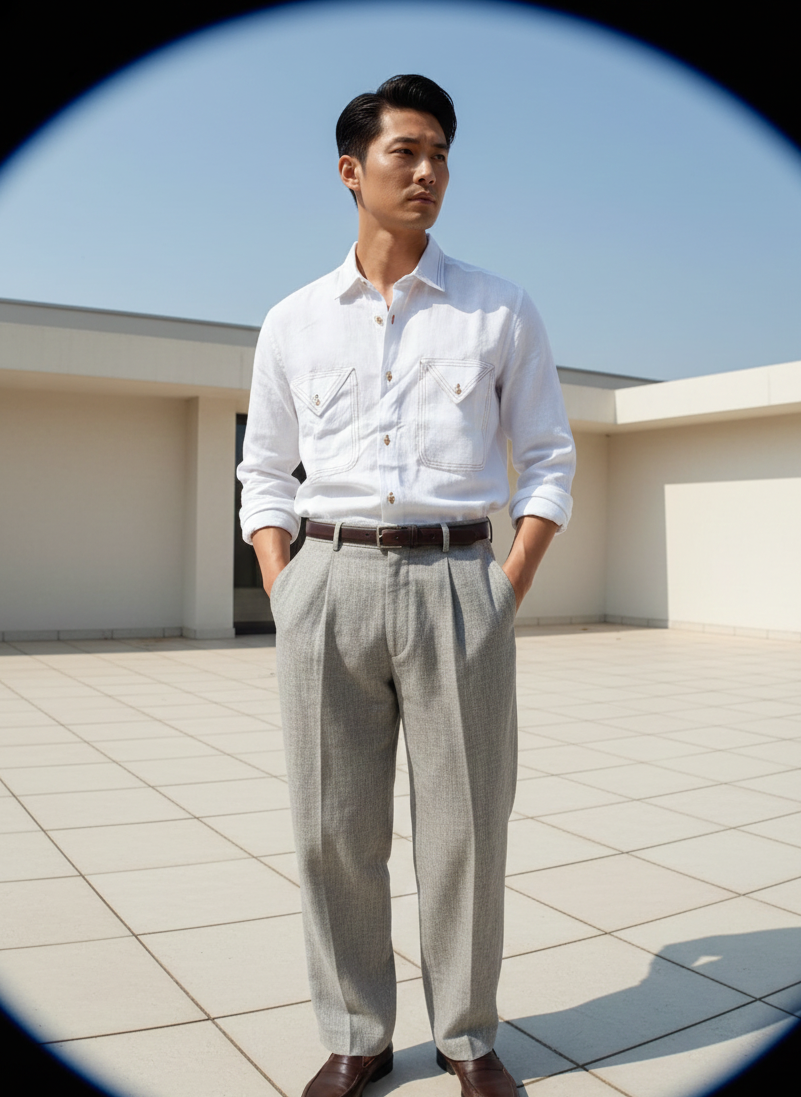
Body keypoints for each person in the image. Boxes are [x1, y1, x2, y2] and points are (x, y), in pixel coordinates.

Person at [237, 74, 575, 1097]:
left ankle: (470, 1039)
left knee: (467, 824)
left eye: (440, 156)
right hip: (326, 582)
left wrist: (502, 584)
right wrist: (288, 584)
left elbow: (548, 459)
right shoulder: (293, 321)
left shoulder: (499, 309)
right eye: (406, 153)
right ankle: (358, 1032)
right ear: (352, 170)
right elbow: (265, 473)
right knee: (331, 825)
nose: (428, 172)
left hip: (458, 579)